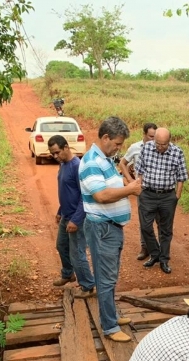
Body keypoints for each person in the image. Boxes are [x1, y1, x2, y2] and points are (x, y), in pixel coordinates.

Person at [78, 117, 143, 343]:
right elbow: (102, 195)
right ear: (105, 138)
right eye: (116, 143)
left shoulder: (105, 159)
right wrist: (131, 189)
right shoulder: (91, 162)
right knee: (105, 279)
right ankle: (109, 326)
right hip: (102, 228)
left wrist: (127, 185)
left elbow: (110, 187)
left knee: (111, 276)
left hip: (110, 227)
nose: (119, 148)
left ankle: (112, 315)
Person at [135, 127, 189, 274]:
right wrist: (139, 189)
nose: (160, 147)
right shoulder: (146, 148)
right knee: (145, 227)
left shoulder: (177, 152)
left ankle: (163, 260)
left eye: (163, 144)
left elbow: (181, 177)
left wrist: (176, 196)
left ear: (169, 141)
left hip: (167, 196)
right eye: (157, 143)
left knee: (165, 230)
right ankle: (155, 253)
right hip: (147, 194)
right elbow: (139, 170)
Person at [47, 135, 95, 297]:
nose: (55, 156)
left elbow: (84, 196)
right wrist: (60, 211)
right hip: (66, 215)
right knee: (61, 246)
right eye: (52, 153)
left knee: (77, 253)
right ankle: (68, 274)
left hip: (78, 218)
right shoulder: (63, 164)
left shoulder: (77, 167)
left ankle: (88, 286)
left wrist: (76, 219)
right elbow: (67, 192)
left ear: (66, 147)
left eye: (57, 152)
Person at [119, 122, 157, 261]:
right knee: (144, 221)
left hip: (159, 191)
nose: (153, 140)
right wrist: (130, 181)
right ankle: (145, 247)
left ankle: (159, 250)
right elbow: (122, 163)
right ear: (144, 134)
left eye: (155, 136)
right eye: (151, 136)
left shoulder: (161, 148)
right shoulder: (135, 148)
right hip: (143, 191)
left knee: (159, 221)